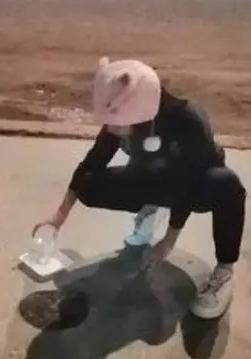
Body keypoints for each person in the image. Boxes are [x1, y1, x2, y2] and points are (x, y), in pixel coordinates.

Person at [35, 57, 246, 320]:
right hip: (155, 177)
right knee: (89, 185)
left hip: (196, 184)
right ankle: (152, 207)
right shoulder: (122, 114)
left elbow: (189, 182)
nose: (111, 128)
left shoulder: (188, 118)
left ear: (142, 106)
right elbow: (93, 162)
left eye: (117, 122)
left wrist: (169, 240)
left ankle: (224, 272)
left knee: (227, 184)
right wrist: (59, 215)